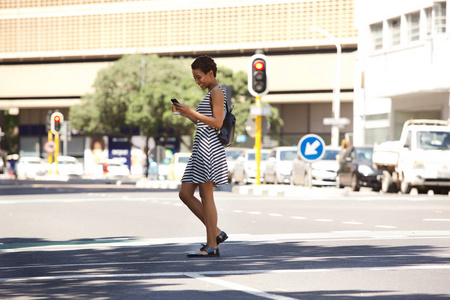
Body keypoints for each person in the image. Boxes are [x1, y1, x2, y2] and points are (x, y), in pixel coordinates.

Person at [172, 55, 229, 257]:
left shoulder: (217, 92)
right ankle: (217, 233)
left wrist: (191, 112)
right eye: (195, 78)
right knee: (185, 194)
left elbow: (218, 123)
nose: (197, 82)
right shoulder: (211, 93)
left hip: (209, 150)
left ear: (210, 73)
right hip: (200, 150)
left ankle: (211, 244)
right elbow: (205, 123)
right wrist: (186, 114)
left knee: (206, 197)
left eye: (199, 77)